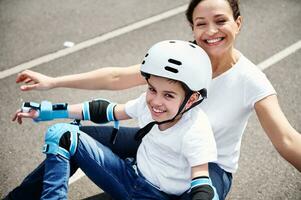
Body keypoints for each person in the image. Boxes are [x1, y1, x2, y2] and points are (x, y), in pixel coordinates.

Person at [6, 0, 301, 199]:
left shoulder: (250, 79)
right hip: (160, 136)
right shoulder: (180, 59)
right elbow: (116, 78)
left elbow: (287, 140)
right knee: (74, 136)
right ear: (192, 28)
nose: (210, 31)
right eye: (201, 23)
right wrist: (52, 83)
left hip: (208, 166)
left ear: (238, 23)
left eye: (220, 21)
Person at [12, 40, 219, 200]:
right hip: (128, 178)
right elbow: (104, 111)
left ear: (192, 99)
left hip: (156, 196)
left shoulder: (196, 129)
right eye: (152, 89)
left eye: (169, 95)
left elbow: (201, 182)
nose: (156, 101)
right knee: (62, 135)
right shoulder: (150, 105)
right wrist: (47, 111)